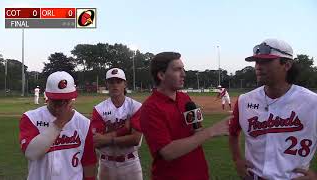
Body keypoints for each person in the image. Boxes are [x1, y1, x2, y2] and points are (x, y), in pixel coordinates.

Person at [229, 38, 317, 180]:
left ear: (287, 65)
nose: (258, 66)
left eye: (266, 61)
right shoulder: (244, 101)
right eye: (257, 61)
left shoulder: (312, 102)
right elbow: (233, 134)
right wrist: (237, 160)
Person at [140, 52, 229, 180]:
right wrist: (211, 131)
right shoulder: (150, 108)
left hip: (200, 174)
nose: (183, 74)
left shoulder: (185, 98)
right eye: (177, 70)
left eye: (183, 69)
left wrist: (203, 130)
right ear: (161, 75)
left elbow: (197, 130)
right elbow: (168, 152)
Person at [19, 71, 97, 180]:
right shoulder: (31, 118)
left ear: (72, 98)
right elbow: (30, 153)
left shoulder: (84, 123)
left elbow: (88, 162)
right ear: (47, 97)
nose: (61, 104)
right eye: (57, 100)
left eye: (66, 100)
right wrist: (59, 123)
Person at [91, 68, 143, 180]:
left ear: (125, 84)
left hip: (131, 164)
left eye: (119, 82)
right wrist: (124, 130)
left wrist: (108, 139)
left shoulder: (136, 106)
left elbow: (135, 139)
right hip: (106, 164)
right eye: (111, 82)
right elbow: (97, 142)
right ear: (107, 84)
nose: (115, 85)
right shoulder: (99, 109)